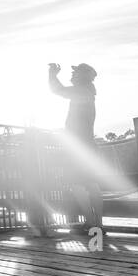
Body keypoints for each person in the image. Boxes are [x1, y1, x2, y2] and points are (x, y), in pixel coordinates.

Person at [48, 62, 103, 235]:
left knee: (77, 184)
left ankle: (91, 221)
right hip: (88, 145)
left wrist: (52, 74)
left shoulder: (81, 92)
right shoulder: (88, 92)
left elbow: (58, 90)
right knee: (92, 184)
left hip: (78, 147)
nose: (72, 75)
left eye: (75, 72)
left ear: (82, 76)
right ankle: (97, 223)